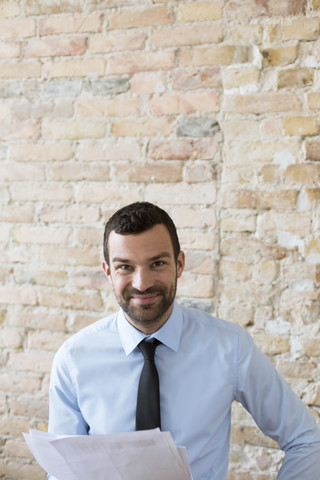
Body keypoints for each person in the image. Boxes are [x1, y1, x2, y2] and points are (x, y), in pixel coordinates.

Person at [48, 201, 320, 480]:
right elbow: (62, 471)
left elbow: (307, 440)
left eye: (157, 263)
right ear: (108, 271)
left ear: (179, 264)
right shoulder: (74, 359)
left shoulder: (230, 347)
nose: (142, 283)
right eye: (125, 267)